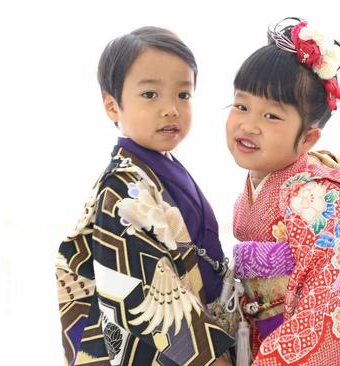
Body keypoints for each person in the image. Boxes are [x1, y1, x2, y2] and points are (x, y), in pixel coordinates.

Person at [227, 17, 340, 365]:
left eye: (271, 116)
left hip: (336, 348)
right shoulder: (254, 193)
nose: (248, 124)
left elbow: (327, 307)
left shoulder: (321, 197)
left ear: (309, 137)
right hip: (267, 335)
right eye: (240, 106)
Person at [55, 26, 233, 366]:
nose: (171, 109)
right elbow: (145, 292)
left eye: (183, 95)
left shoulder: (160, 168)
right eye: (150, 95)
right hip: (166, 349)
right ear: (112, 105)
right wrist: (212, 360)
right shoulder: (123, 187)